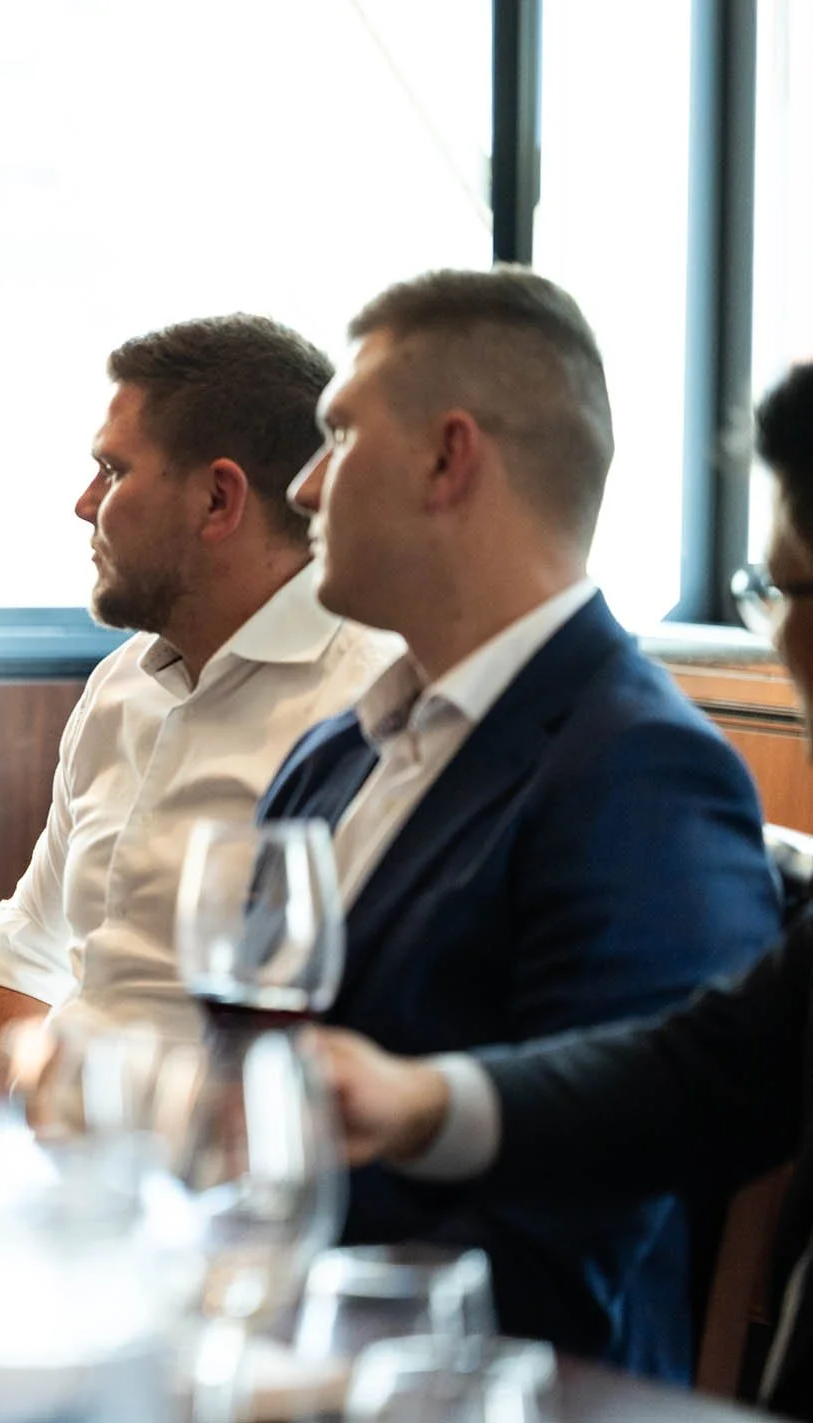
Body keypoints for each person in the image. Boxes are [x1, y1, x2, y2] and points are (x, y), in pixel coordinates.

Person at [260, 267, 780, 1378]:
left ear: (450, 458)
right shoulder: (329, 756)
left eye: (338, 435)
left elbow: (571, 1243)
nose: (303, 486)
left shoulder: (642, 772)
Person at [0, 315, 398, 1138]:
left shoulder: (369, 710)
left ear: (218, 498)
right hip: (46, 1187)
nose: (83, 503)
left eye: (112, 471)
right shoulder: (122, 682)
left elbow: (339, 1057)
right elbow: (23, 951)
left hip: (199, 1201)